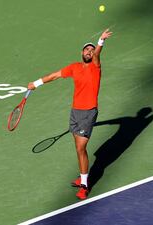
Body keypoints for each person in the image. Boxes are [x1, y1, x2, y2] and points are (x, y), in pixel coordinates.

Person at [27, 28, 113, 200]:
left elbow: (97, 54)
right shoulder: (74, 67)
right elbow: (55, 75)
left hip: (88, 112)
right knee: (78, 148)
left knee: (81, 148)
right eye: (86, 50)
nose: (89, 52)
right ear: (81, 53)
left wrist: (100, 41)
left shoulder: (96, 67)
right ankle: (83, 176)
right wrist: (36, 83)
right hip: (75, 112)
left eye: (91, 50)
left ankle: (84, 185)